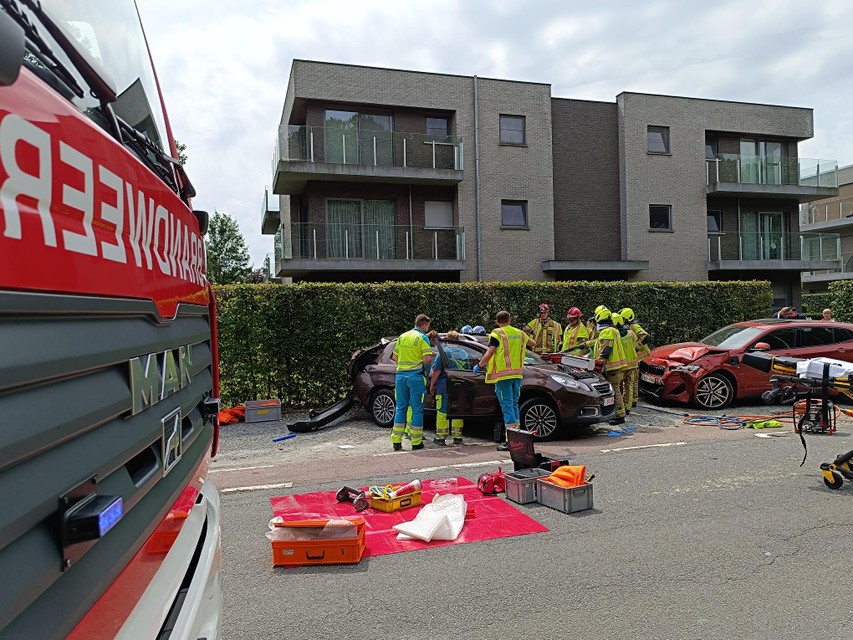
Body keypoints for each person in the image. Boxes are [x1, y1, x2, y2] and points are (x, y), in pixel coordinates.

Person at [473, 311, 535, 451]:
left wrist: (479, 365)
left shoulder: (497, 334)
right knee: (514, 405)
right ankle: (519, 438)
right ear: (510, 319)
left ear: (497, 321)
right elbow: (533, 343)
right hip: (517, 375)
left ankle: (511, 441)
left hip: (503, 377)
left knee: (507, 407)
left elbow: (489, 352)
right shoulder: (519, 333)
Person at [391, 314, 433, 452]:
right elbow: (427, 359)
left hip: (400, 377)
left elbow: (395, 357)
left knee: (401, 408)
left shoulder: (402, 337)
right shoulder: (422, 337)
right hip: (415, 377)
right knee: (417, 409)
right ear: (424, 325)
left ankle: (396, 441)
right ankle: (416, 442)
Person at [590, 308, 629, 425]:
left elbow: (606, 350)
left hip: (612, 367)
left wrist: (598, 364)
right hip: (616, 366)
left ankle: (619, 415)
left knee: (615, 390)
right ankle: (616, 413)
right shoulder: (612, 330)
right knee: (615, 389)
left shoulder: (607, 331)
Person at [429, 330, 468, 446]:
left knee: (442, 411)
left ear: (447, 340)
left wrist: (432, 384)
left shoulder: (443, 352)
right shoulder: (464, 353)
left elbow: (436, 371)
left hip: (444, 386)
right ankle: (457, 437)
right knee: (457, 410)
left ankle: (440, 438)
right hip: (460, 386)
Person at [620, 307, 649, 408]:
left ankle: (632, 401)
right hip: (635, 355)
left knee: (633, 379)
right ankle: (633, 400)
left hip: (638, 355)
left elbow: (645, 336)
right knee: (633, 379)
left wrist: (635, 347)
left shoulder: (634, 326)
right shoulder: (628, 326)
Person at [612, 313, 638, 415]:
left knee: (617, 387)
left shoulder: (616, 335)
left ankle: (620, 408)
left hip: (622, 365)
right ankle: (627, 407)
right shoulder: (631, 333)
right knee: (629, 385)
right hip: (633, 364)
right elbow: (635, 344)